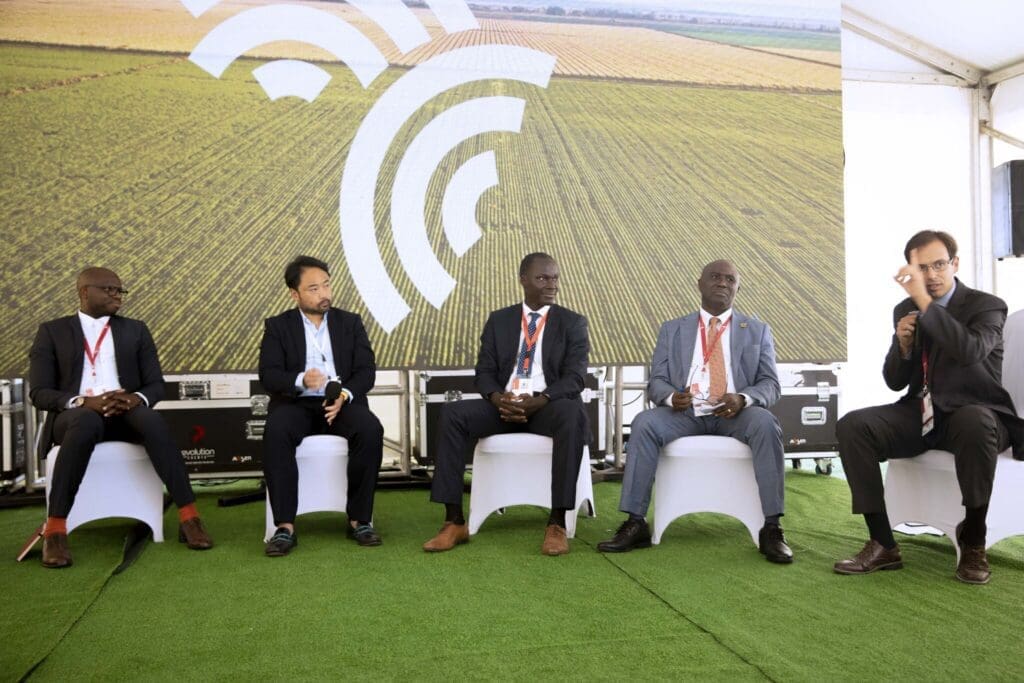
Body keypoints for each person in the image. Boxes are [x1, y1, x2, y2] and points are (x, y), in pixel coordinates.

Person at [834, 230, 1023, 584]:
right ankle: (882, 543)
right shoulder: (903, 309)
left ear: (955, 263)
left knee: (974, 421)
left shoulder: (987, 305)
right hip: (923, 412)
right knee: (853, 426)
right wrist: (902, 345)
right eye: (922, 268)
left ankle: (974, 541)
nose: (932, 275)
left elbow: (968, 350)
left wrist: (924, 303)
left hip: (977, 414)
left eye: (939, 264)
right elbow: (895, 380)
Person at [597, 259, 793, 563]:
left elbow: (770, 384)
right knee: (644, 423)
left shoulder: (757, 330)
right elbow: (657, 381)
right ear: (699, 283)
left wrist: (743, 398)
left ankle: (771, 527)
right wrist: (670, 397)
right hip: (684, 414)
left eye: (730, 279)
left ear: (738, 287)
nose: (723, 283)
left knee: (767, 424)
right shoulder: (672, 329)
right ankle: (636, 522)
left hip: (736, 415)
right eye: (715, 277)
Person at [29, 267, 213, 568]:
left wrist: (134, 398)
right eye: (109, 289)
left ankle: (189, 517)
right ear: (84, 291)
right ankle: (56, 530)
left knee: (152, 421)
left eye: (120, 290)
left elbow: (155, 384)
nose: (118, 295)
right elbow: (39, 392)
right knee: (85, 420)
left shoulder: (135, 329)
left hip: (125, 410)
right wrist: (83, 401)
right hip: (76, 415)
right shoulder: (52, 331)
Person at [423, 253, 590, 556]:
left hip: (544, 405)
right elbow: (484, 372)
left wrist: (541, 400)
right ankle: (454, 521)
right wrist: (498, 398)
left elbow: (576, 378)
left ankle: (557, 523)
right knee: (452, 414)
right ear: (523, 280)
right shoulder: (499, 320)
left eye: (555, 278)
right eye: (542, 278)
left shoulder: (573, 322)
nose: (551, 285)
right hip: (504, 404)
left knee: (571, 411)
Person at [259, 256, 384, 556]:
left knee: (370, 429)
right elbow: (269, 374)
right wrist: (303, 379)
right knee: (276, 429)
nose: (323, 294)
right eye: (313, 288)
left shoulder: (350, 322)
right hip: (297, 404)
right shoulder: (278, 326)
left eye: (326, 285)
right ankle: (285, 526)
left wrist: (343, 396)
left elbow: (366, 371)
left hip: (341, 402)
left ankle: (359, 519)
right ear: (295, 294)